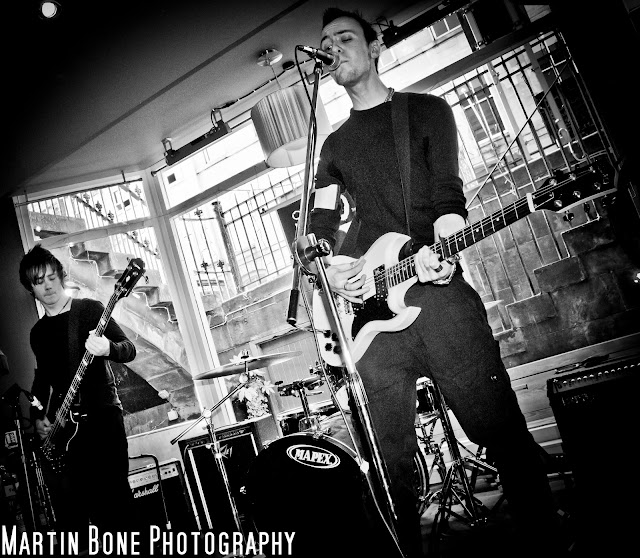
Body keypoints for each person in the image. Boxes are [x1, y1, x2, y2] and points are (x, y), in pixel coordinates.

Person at [309, 8, 562, 558]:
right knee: (388, 461)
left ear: (375, 45)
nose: (333, 48)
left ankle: (546, 542)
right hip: (372, 320)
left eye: (345, 37)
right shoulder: (333, 146)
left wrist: (444, 245)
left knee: (498, 429)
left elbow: (448, 196)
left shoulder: (426, 111)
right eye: (326, 42)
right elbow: (321, 228)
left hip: (438, 293)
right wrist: (330, 270)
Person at [19, 244, 137, 550]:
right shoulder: (38, 333)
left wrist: (108, 348)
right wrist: (38, 416)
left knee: (116, 507)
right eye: (38, 281)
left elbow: (129, 349)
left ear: (60, 276)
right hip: (67, 432)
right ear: (30, 288)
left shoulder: (89, 310)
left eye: (51, 277)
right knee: (76, 515)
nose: (47, 286)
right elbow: (42, 381)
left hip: (103, 422)